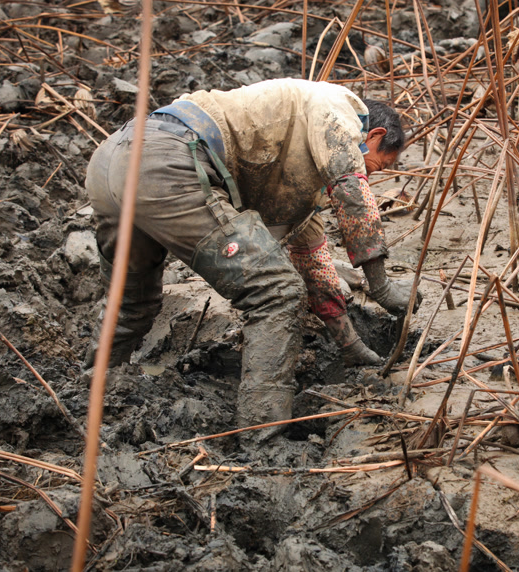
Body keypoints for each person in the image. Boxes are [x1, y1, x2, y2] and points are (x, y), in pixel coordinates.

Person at [83, 78, 420, 443]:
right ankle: (262, 435)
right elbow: (352, 188)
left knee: (132, 302)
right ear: (374, 135)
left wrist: (352, 347)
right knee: (277, 292)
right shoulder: (339, 105)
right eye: (380, 163)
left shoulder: (297, 167)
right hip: (164, 158)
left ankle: (92, 393)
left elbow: (313, 264)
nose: (376, 174)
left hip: (111, 162)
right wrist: (382, 286)